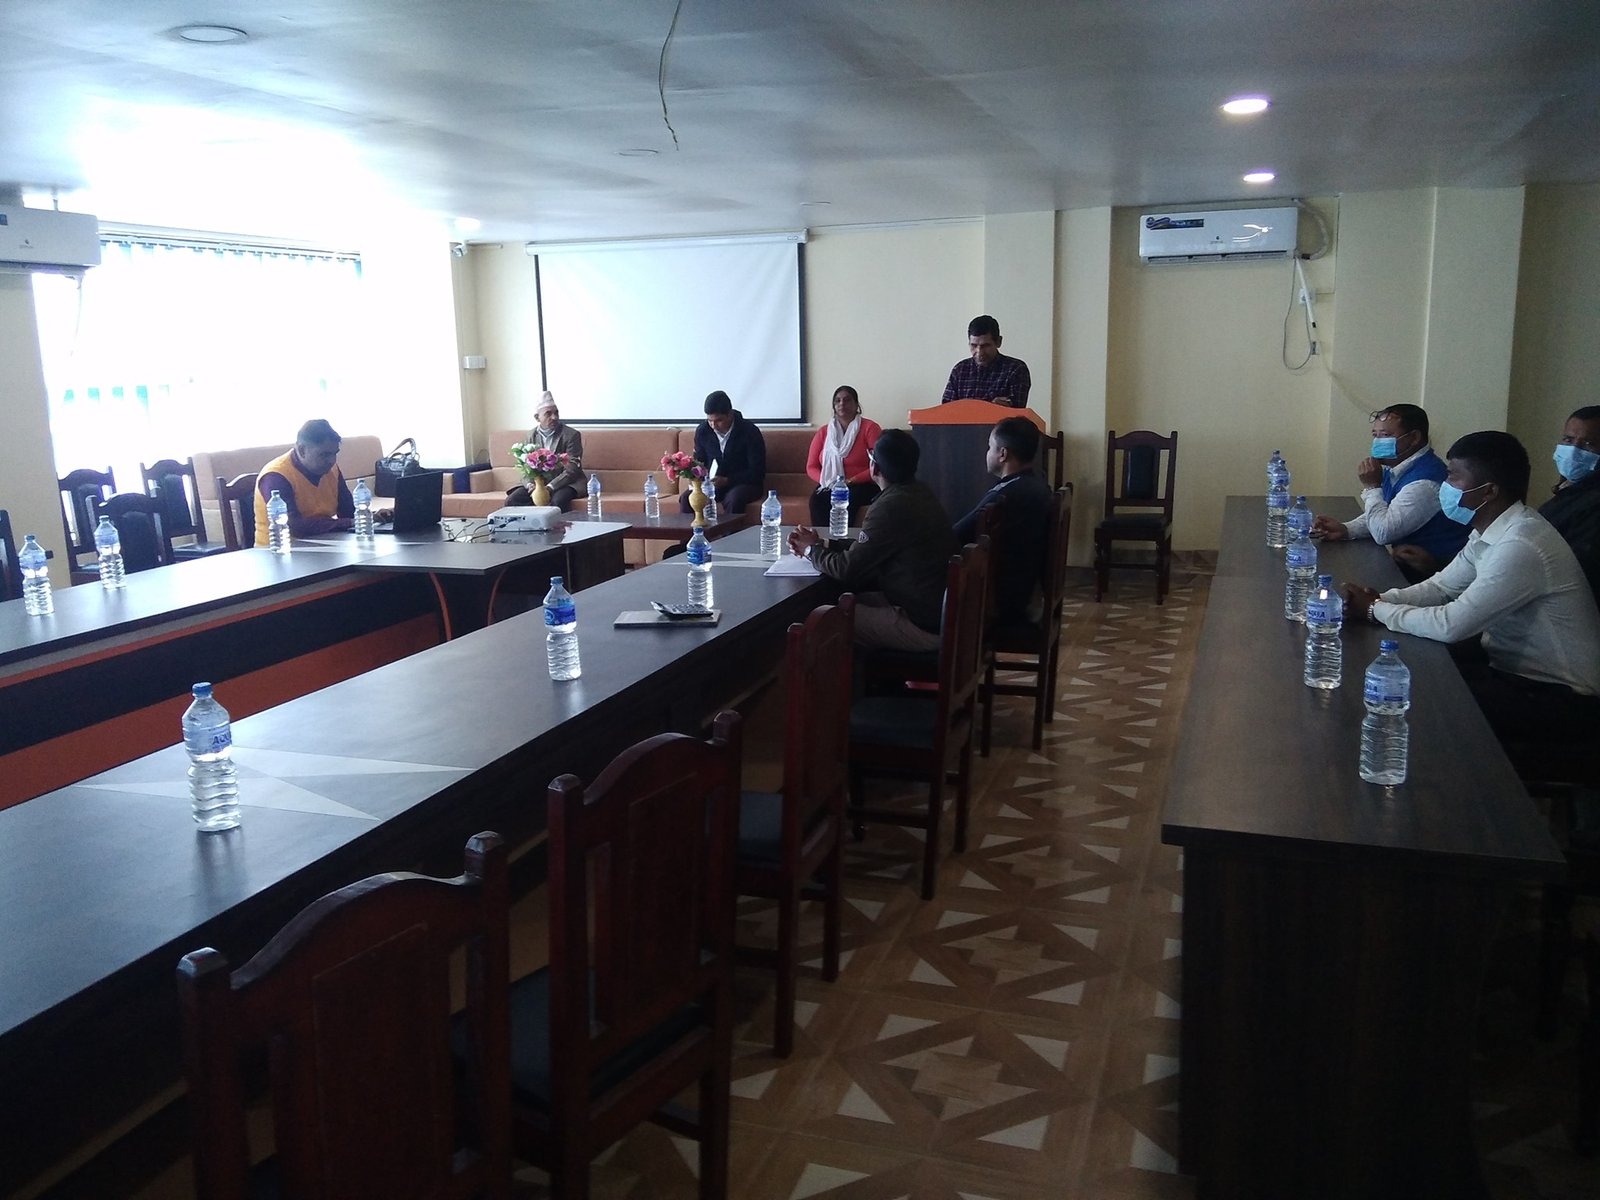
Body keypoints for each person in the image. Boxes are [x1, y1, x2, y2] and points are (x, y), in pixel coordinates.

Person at [1341, 431, 1600, 745]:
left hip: (1559, 698)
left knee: (1422, 702)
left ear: (1488, 490)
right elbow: (1441, 587)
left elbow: (1451, 624)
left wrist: (1374, 609)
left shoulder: (1521, 545)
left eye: (1453, 477)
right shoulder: (1491, 530)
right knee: (1411, 670)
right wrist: (1381, 598)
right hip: (1507, 669)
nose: (1445, 485)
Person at [788, 429, 956, 652]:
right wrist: (822, 543)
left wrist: (811, 551)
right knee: (845, 599)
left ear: (874, 467)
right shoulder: (919, 492)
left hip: (921, 624)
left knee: (827, 619)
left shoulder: (890, 506)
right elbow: (871, 547)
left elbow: (847, 569)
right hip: (932, 608)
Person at [1310, 404, 1469, 578]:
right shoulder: (1395, 467)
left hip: (1437, 574)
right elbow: (1386, 513)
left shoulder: (1425, 483)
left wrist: (1372, 487)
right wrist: (1346, 529)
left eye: (1385, 436)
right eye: (1375, 435)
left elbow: (1383, 532)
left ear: (1414, 438)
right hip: (1409, 566)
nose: (1378, 442)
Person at [953, 416, 1054, 627]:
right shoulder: (1039, 485)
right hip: (1027, 590)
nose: (987, 452)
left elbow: (957, 535)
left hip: (1003, 601)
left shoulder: (1004, 495)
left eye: (990, 446)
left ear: (1003, 454)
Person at [255, 418, 354, 545]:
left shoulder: (332, 469)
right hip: (279, 550)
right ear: (302, 450)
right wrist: (348, 523)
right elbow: (294, 526)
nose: (331, 460)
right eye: (324, 455)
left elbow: (348, 511)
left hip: (323, 544)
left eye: (334, 454)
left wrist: (372, 518)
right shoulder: (275, 476)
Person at [1540, 404, 1600, 602]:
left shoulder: (1593, 505)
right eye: (1568, 439)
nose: (1574, 450)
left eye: (1588, 443)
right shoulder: (1569, 491)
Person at [680, 390, 766, 516]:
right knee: (686, 498)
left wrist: (727, 480)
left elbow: (757, 472)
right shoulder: (703, 431)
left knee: (734, 499)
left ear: (730, 414)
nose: (713, 425)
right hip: (713, 484)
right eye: (710, 420)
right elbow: (699, 461)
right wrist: (696, 478)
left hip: (745, 484)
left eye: (719, 420)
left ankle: (730, 530)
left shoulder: (749, 431)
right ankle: (694, 529)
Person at [805, 385, 882, 526]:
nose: (842, 404)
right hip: (830, 483)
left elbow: (879, 463)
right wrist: (827, 482)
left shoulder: (870, 428)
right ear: (834, 406)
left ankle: (844, 538)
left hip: (864, 484)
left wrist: (851, 481)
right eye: (838, 401)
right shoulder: (824, 432)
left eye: (847, 400)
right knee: (818, 499)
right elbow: (811, 466)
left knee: (847, 498)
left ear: (856, 405)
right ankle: (821, 538)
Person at [508, 391, 585, 510]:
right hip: (537, 483)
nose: (554, 417)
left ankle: (556, 523)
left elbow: (573, 468)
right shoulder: (530, 435)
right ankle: (533, 522)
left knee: (558, 501)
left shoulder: (571, 435)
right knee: (512, 500)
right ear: (537, 418)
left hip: (565, 483)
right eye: (548, 414)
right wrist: (530, 485)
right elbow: (524, 466)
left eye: (556, 413)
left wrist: (549, 487)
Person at [941, 315, 1031, 408]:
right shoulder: (959, 370)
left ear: (999, 342)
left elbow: (1017, 411)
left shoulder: (1016, 369)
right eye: (973, 345)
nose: (979, 352)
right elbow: (946, 409)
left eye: (985, 346)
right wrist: (992, 405)